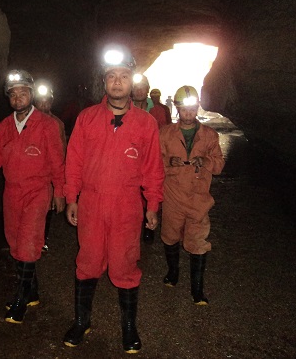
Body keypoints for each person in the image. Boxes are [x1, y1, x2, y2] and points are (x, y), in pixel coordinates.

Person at [63, 46, 164, 353]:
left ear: (132, 81)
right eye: (111, 77)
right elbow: (74, 161)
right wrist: (71, 198)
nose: (118, 82)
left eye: (123, 76)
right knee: (88, 262)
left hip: (127, 206)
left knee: (125, 264)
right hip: (92, 203)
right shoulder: (87, 118)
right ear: (104, 82)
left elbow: (153, 169)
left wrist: (153, 206)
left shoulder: (146, 123)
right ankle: (82, 321)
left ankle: (129, 327)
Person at [0, 70, 65, 324]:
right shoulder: (4, 127)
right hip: (12, 192)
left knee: (27, 243)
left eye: (22, 92)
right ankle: (33, 290)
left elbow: (58, 162)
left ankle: (21, 299)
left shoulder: (47, 125)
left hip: (37, 190)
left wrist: (60, 192)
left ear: (32, 94)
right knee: (16, 243)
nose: (17, 98)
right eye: (13, 94)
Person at [159, 85, 225, 305]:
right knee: (170, 236)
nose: (188, 113)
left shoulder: (209, 136)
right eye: (184, 109)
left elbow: (219, 166)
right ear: (177, 109)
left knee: (198, 241)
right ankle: (173, 272)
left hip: (198, 198)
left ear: (196, 108)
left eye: (192, 108)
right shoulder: (165, 134)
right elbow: (152, 163)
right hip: (173, 196)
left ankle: (197, 290)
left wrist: (205, 161)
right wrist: (168, 163)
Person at [34, 80, 67, 253]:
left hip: (50, 173)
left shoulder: (58, 124)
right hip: (33, 174)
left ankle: (42, 239)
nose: (44, 104)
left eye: (47, 100)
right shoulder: (27, 122)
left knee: (47, 208)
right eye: (40, 100)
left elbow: (63, 149)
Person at [132, 73, 156, 244]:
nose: (139, 91)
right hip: (131, 160)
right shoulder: (123, 109)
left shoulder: (158, 111)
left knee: (151, 194)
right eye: (137, 88)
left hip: (151, 158)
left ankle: (149, 227)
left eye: (143, 88)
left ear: (147, 90)